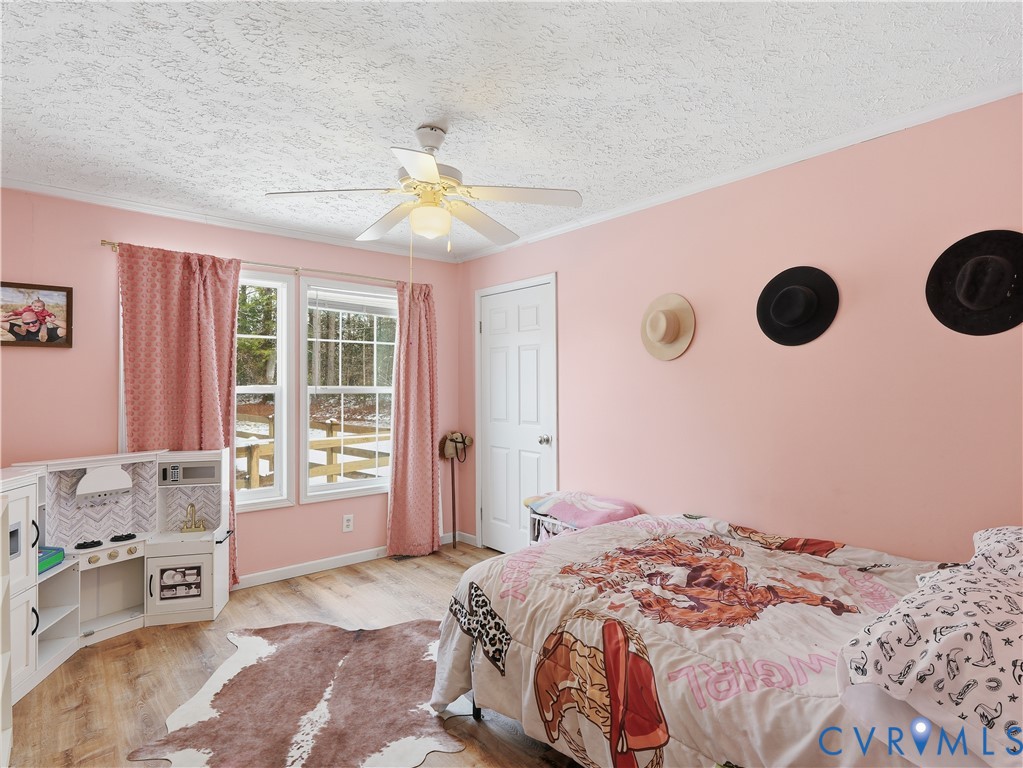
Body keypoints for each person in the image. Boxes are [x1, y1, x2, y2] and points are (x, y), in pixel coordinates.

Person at [0, 311, 66, 342]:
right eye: (27, 323)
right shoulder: (18, 329)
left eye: (34, 322)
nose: (31, 325)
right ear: (23, 323)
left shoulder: (49, 332)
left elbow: (68, 328)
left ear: (38, 321)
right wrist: (22, 316)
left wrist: (52, 321)